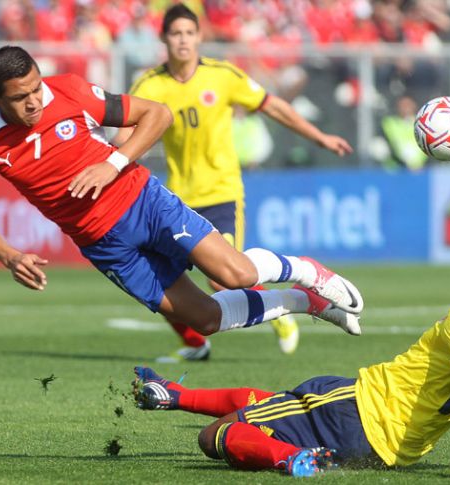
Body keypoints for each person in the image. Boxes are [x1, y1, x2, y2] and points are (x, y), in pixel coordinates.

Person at [0, 46, 365, 360]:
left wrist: (113, 163)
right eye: (21, 97)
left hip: (143, 202)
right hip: (105, 246)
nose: (35, 101)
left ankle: (305, 271)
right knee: (206, 320)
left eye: (36, 88)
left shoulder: (68, 90)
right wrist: (10, 256)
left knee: (236, 274)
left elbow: (157, 114)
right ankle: (304, 302)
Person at [132, 234, 450, 478]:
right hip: (388, 453)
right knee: (272, 403)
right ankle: (172, 396)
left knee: (215, 437)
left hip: (356, 409)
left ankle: (292, 459)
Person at [112, 4, 354, 362]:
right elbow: (122, 135)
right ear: (163, 38)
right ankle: (196, 344)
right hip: (177, 196)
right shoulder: (150, 84)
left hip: (221, 193)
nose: (182, 40)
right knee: (157, 276)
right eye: (175, 33)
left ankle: (281, 313)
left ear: (199, 37)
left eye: (189, 33)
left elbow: (272, 106)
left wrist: (317, 136)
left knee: (221, 278)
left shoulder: (222, 75)